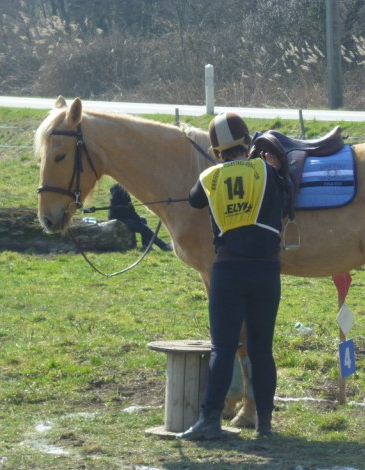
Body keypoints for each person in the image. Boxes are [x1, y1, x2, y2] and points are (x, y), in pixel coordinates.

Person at [177, 113, 288, 440]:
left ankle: (210, 420)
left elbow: (194, 199)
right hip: (266, 271)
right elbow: (283, 191)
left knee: (223, 349)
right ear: (246, 141)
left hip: (227, 271)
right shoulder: (268, 171)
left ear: (216, 148)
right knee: (262, 350)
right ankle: (264, 425)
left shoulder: (210, 176)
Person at [108, 183, 172, 252]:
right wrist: (138, 220)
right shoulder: (123, 194)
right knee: (143, 227)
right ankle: (163, 245)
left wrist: (138, 220)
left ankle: (146, 246)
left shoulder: (117, 191)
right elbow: (131, 212)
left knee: (143, 220)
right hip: (120, 220)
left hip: (122, 217)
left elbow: (130, 212)